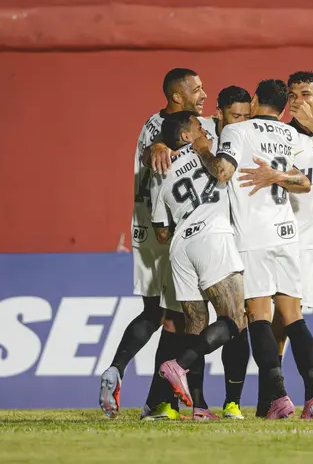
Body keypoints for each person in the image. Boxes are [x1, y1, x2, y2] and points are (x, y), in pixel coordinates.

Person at [194, 79, 313, 419]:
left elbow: (222, 172)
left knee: (258, 316)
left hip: (254, 236)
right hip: (287, 233)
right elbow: (305, 183)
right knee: (293, 316)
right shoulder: (290, 134)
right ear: (283, 108)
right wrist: (277, 177)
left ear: (254, 101)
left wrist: (202, 149)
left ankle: (278, 396)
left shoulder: (237, 131)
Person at [242, 71, 313, 417]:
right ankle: (270, 398)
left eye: (306, 93)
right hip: (293, 240)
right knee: (281, 324)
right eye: (292, 95)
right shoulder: (281, 135)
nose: (298, 100)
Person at [99, 68, 211, 421]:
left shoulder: (170, 122)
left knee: (157, 313)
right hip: (163, 232)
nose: (203, 94)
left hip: (148, 231)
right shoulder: (161, 128)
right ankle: (162, 402)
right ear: (177, 96)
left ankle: (121, 373)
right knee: (178, 316)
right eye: (197, 89)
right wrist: (159, 147)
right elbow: (154, 149)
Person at [150, 111, 247, 420]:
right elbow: (222, 172)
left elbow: (161, 231)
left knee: (195, 326)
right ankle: (178, 365)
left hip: (180, 247)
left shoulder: (160, 171)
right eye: (198, 127)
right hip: (213, 237)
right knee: (235, 319)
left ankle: (200, 406)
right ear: (186, 136)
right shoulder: (207, 152)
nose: (204, 130)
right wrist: (204, 149)